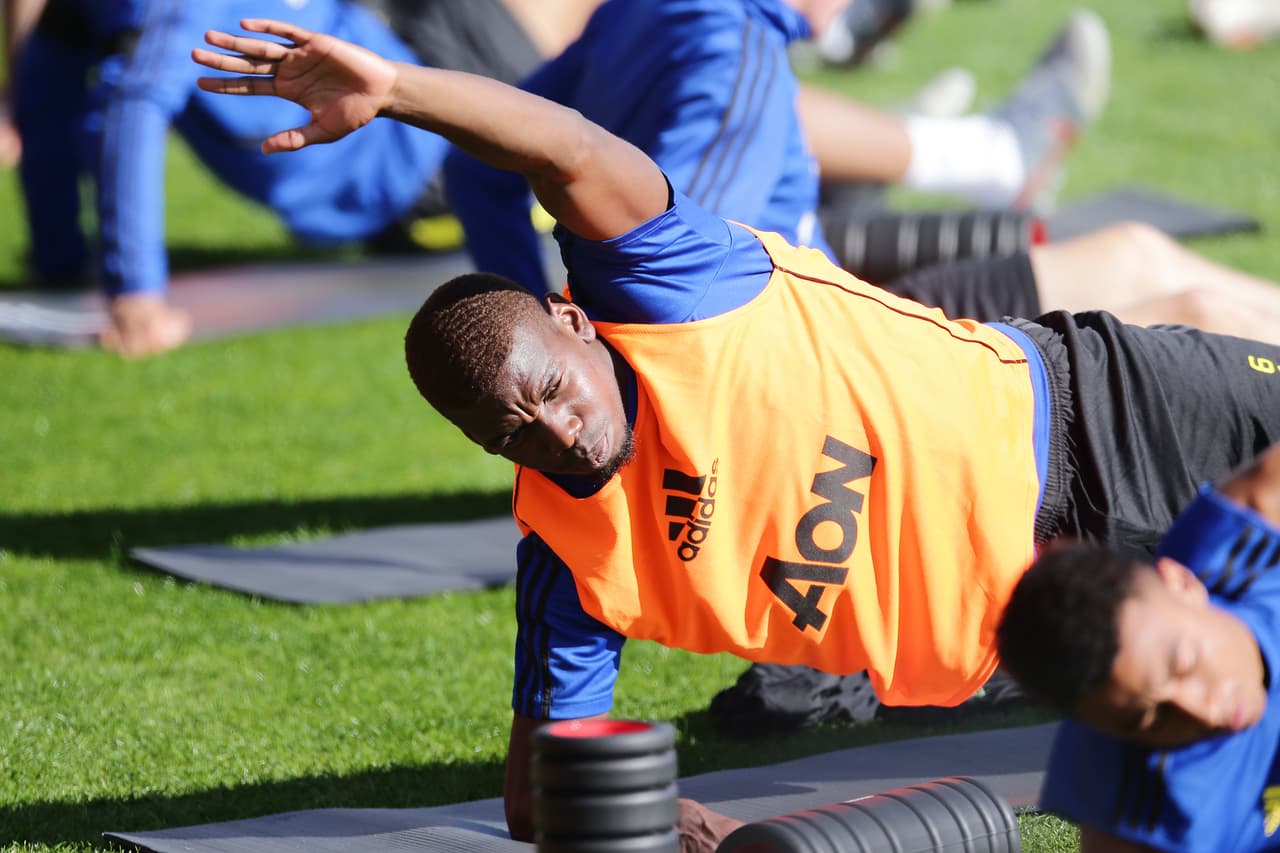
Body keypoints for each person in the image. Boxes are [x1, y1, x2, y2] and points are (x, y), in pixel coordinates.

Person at [190, 19, 1280, 849]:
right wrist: (667, 816)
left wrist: (400, 90)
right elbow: (541, 785)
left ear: (573, 321)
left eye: (553, 392)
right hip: (1042, 630)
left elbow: (564, 150)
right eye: (514, 434)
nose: (556, 434)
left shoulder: (662, 287)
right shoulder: (572, 560)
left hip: (1101, 413)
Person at [444, 0, 1280, 344]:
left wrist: (535, 312)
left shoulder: (656, 8)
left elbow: (476, 166)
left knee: (1136, 251)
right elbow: (697, 306)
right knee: (1199, 313)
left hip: (847, 321)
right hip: (855, 372)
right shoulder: (728, 55)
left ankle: (996, 156)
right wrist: (558, 333)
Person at [5, 0, 556, 357]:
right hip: (408, 181)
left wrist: (115, 287)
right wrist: (118, 289)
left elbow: (93, 109)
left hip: (436, 161)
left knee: (551, 135)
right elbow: (73, 105)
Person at [997, 442, 1280, 852]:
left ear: (1183, 584)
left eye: (1184, 663)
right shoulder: (1146, 817)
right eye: (1149, 721)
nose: (1202, 711)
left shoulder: (1252, 534)